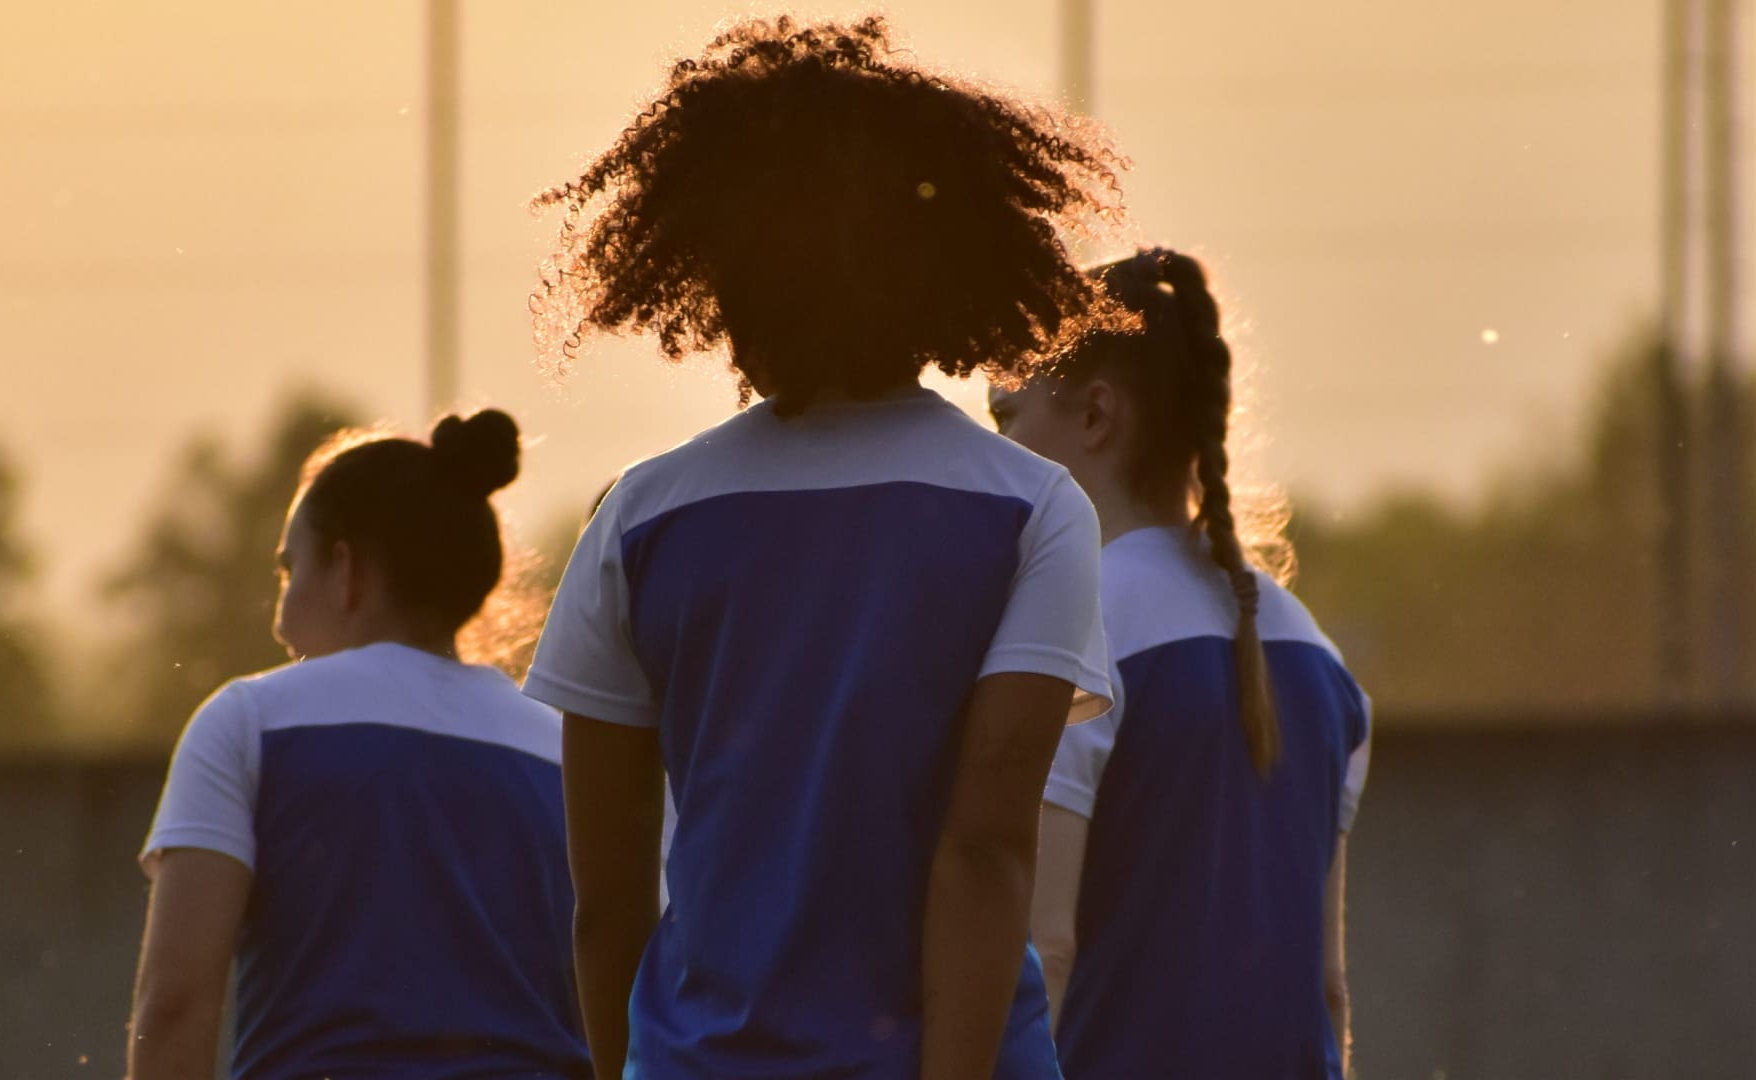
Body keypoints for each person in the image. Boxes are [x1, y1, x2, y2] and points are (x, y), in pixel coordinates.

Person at [522, 16, 1124, 1080]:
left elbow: (606, 909)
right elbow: (984, 853)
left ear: (711, 271)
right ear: (952, 261)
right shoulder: (1034, 508)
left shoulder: (639, 517)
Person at [989, 249, 1372, 1080]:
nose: (1001, 452)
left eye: (1007, 418)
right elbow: (1328, 987)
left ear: (1096, 417)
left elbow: (1043, 950)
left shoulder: (1071, 633)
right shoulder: (1317, 654)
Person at [128, 410, 589, 1080]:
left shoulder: (249, 721)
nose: (280, 619)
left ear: (346, 569)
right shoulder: (564, 751)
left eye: (290, 573)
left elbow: (174, 1007)